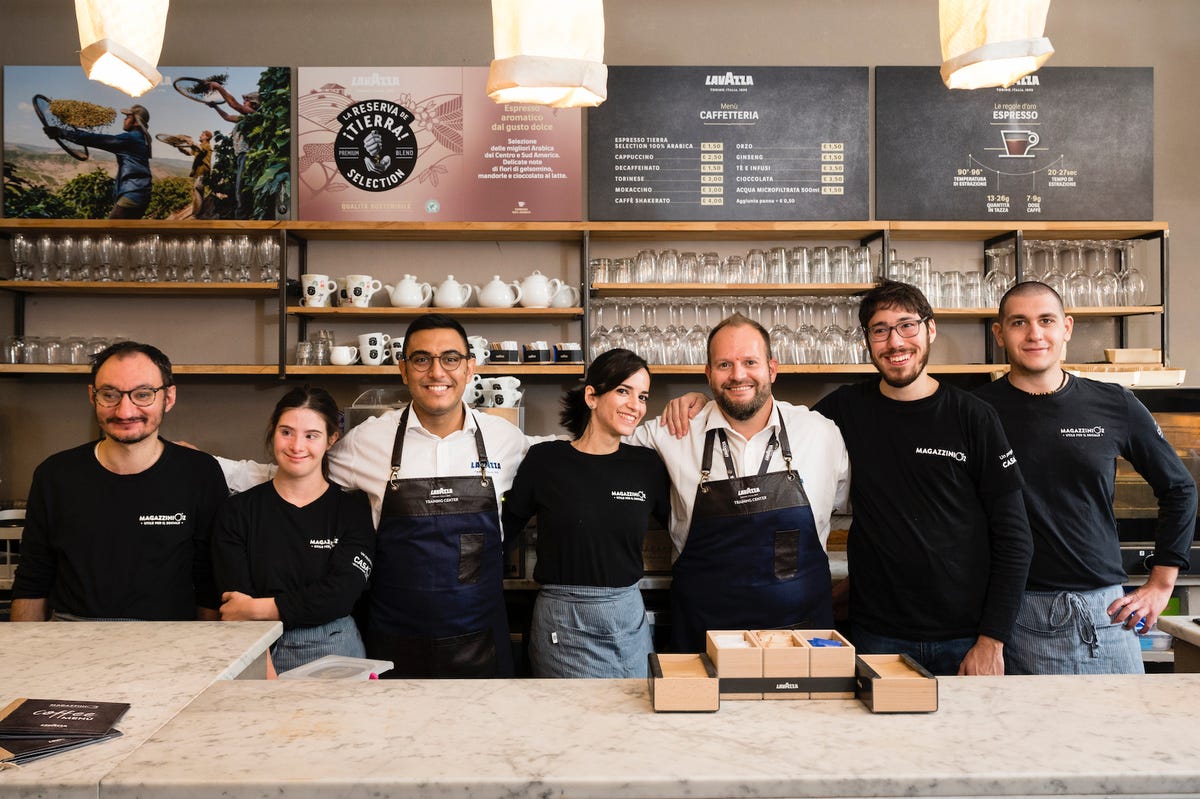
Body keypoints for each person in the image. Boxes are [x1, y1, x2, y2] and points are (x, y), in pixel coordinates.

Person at [218, 314, 544, 677]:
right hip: (394, 640)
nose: (437, 372)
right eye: (422, 360)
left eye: (450, 359)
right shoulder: (368, 440)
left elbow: (566, 458)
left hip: (481, 640)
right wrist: (203, 466)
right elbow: (299, 466)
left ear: (470, 368)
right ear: (403, 370)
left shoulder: (506, 439)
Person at [811, 280, 1033, 676]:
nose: (895, 342)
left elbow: (1015, 537)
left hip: (965, 638)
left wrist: (992, 639)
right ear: (868, 340)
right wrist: (701, 405)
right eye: (880, 330)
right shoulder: (845, 408)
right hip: (875, 635)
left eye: (907, 326)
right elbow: (773, 428)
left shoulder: (973, 416)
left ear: (930, 330)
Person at [974, 281, 1197, 674]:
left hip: (1109, 611)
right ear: (999, 333)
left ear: (1067, 328)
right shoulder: (975, 412)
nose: (1035, 334)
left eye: (1046, 320)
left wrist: (1161, 585)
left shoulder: (1114, 403)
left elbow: (1179, 488)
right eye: (1019, 322)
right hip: (1017, 613)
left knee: (1123, 732)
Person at [630, 314, 851, 654]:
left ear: (772, 369)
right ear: (708, 374)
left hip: (801, 639)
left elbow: (845, 506)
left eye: (750, 362)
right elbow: (597, 445)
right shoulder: (673, 432)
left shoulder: (819, 433)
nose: (738, 375)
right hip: (702, 639)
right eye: (724, 364)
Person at [10, 342, 227, 621]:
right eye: (109, 394)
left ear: (168, 398)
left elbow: (209, 583)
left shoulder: (200, 473)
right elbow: (32, 577)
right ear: (92, 396)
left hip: (171, 640)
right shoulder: (54, 474)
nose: (125, 411)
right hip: (71, 638)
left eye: (143, 395)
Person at [502, 349, 671, 677]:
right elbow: (502, 533)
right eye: (623, 391)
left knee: (633, 722)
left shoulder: (647, 465)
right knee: (574, 724)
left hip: (628, 616)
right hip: (565, 621)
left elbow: (683, 529)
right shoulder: (546, 460)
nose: (635, 405)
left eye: (643, 396)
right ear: (592, 396)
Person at [212, 387, 375, 674]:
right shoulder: (238, 511)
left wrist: (256, 609)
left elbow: (340, 594)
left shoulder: (352, 509)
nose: (297, 446)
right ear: (273, 432)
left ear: (331, 439)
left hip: (335, 648)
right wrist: (261, 668)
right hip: (256, 648)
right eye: (286, 432)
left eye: (311, 435)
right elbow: (234, 603)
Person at [43, 104, 152, 219]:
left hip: (132, 195)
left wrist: (63, 133)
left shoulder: (130, 139)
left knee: (110, 232)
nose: (124, 119)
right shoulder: (139, 138)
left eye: (128, 117)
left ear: (136, 122)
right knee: (125, 234)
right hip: (141, 194)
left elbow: (97, 140)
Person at [203, 82, 261, 219]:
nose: (243, 102)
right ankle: (244, 217)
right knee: (240, 191)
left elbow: (234, 105)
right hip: (241, 157)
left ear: (253, 104)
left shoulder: (254, 115)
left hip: (248, 156)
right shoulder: (244, 118)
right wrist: (215, 107)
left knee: (241, 192)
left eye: (246, 100)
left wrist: (218, 87)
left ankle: (243, 221)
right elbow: (227, 117)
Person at [170, 130, 213, 218]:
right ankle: (198, 213)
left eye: (203, 135)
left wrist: (188, 141)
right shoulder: (200, 146)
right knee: (198, 191)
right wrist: (179, 147)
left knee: (197, 191)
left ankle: (196, 214)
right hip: (199, 173)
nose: (200, 135)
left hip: (203, 172)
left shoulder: (207, 146)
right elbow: (189, 152)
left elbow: (200, 149)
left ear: (207, 137)